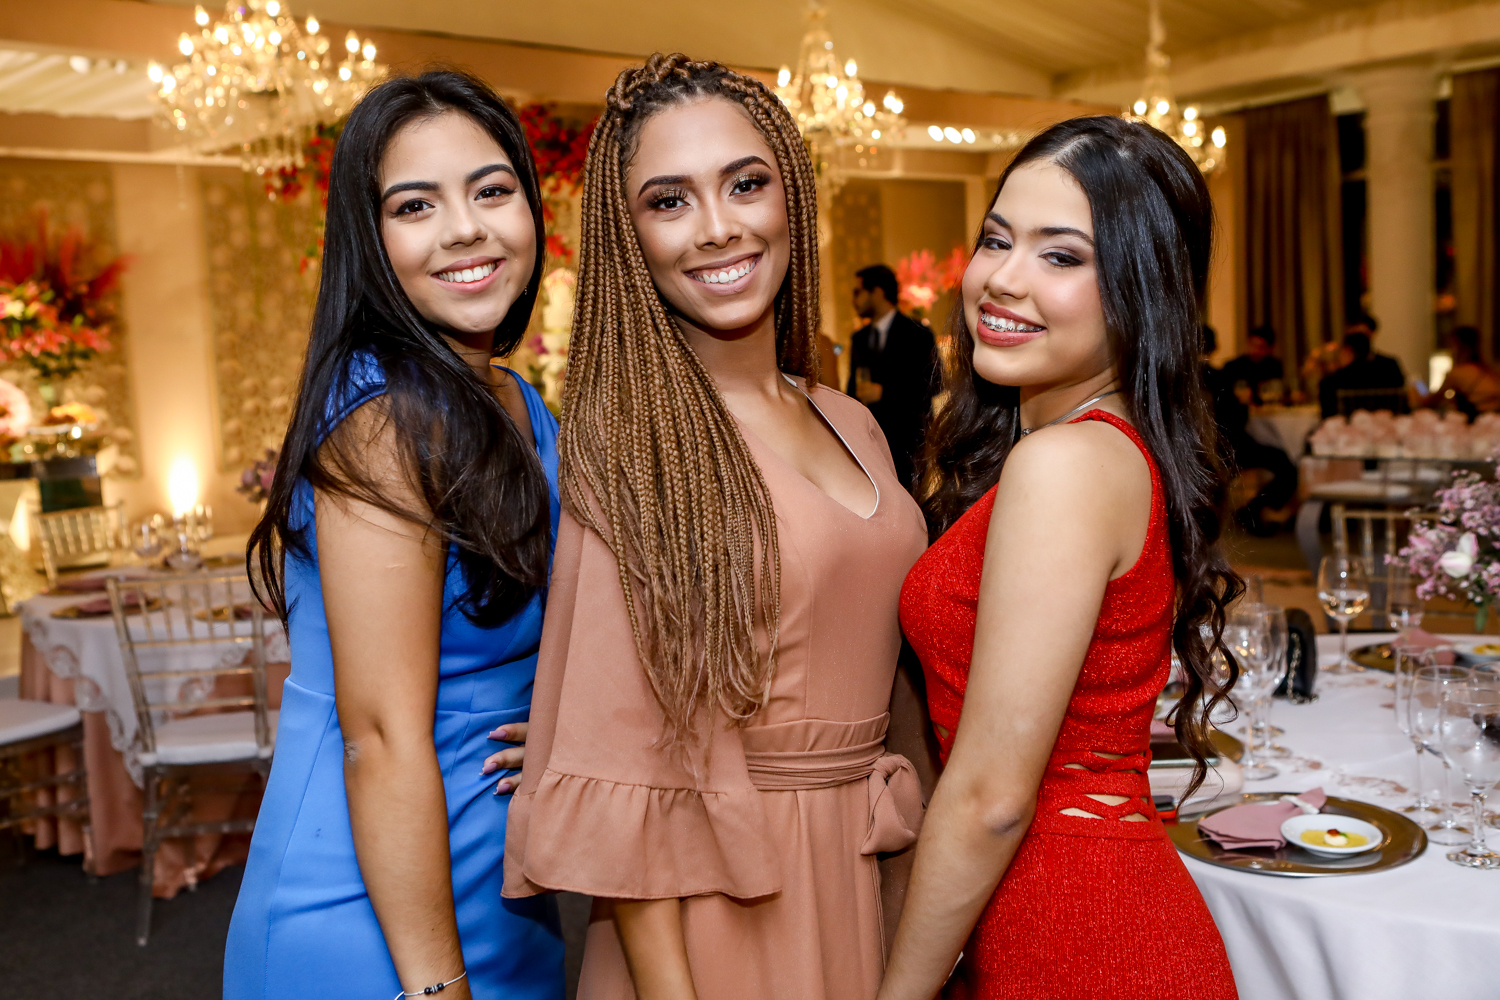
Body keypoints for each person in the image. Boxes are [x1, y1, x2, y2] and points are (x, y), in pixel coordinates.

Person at [504, 54, 930, 1000]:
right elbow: (631, 763)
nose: (718, 228)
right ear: (630, 237)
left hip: (862, 866)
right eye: (670, 201)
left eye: (745, 183)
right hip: (719, 911)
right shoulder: (639, 447)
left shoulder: (849, 418)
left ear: (792, 194)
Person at [878, 116, 1240, 1000]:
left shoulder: (1067, 463)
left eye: (1062, 256)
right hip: (1051, 912)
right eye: (998, 240)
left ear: (1142, 290)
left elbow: (993, 797)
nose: (1002, 279)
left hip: (1083, 936)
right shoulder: (1083, 448)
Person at [224, 71, 564, 1000]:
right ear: (370, 243)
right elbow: (377, 735)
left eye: (492, 190)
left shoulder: (513, 397)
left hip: (500, 881)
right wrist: (435, 987)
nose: (466, 228)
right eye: (416, 205)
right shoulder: (383, 417)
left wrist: (576, 726)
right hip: (373, 916)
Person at [846, 263, 938, 489]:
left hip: (910, 444)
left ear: (877, 292)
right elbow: (851, 388)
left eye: (858, 292)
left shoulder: (917, 333)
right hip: (870, 447)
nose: (853, 300)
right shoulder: (859, 338)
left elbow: (933, 385)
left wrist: (885, 393)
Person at [1203, 326, 1298, 536]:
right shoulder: (1221, 377)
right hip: (1228, 445)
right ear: (1214, 347)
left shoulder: (1173, 378)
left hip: (1194, 448)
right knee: (1287, 465)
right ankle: (1251, 512)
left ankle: (1249, 512)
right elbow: (1236, 418)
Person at [1318, 327, 1407, 418]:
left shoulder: (1330, 382)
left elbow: (1328, 418)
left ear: (1348, 351)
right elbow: (1403, 407)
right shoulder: (1391, 369)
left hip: (1347, 430)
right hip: (1393, 428)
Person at [1427, 325, 1500, 416]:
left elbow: (1431, 401)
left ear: (1459, 345)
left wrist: (1415, 394)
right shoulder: (1489, 371)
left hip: (1478, 421)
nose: (1450, 350)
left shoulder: (1457, 373)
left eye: (1451, 344)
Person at [1220, 324, 1283, 404]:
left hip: (1268, 412)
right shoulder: (1233, 366)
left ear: (1270, 349)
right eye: (1252, 345)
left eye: (1260, 347)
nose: (1254, 350)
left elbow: (1277, 393)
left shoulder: (1274, 365)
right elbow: (1223, 396)